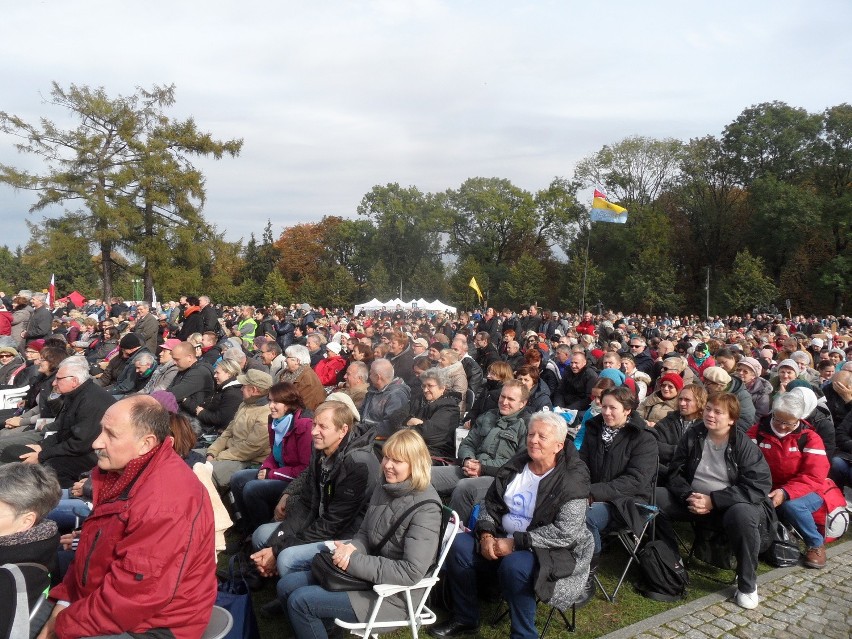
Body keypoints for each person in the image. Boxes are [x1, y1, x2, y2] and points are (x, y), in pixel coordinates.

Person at [40, 395, 217, 638]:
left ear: (146, 443)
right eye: (101, 430)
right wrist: (64, 603)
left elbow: (136, 596)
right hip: (104, 599)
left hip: (154, 624)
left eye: (110, 434)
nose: (96, 443)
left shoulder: (164, 502)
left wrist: (61, 625)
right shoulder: (118, 473)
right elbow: (89, 552)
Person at [433, 412, 594, 639]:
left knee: (516, 564)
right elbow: (490, 503)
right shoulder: (517, 465)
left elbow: (565, 532)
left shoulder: (572, 478)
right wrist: (487, 533)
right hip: (501, 537)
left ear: (559, 444)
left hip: (549, 549)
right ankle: (465, 617)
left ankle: (523, 634)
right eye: (530, 434)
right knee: (458, 545)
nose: (533, 440)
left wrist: (515, 543)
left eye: (542, 436)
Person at [278, 429, 442, 639]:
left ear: (415, 464)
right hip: (368, 576)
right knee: (285, 586)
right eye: (386, 457)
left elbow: (410, 572)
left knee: (301, 602)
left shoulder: (426, 509)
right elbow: (365, 533)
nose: (387, 465)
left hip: (392, 596)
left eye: (397, 461)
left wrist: (352, 562)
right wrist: (351, 549)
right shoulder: (385, 487)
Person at [250, 401, 380, 617]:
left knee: (286, 557)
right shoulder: (322, 449)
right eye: (314, 425)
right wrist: (275, 545)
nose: (314, 432)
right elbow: (307, 503)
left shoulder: (358, 463)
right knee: (261, 534)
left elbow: (334, 525)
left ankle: (302, 602)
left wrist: (277, 550)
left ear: (343, 430)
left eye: (323, 427)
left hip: (349, 537)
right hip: (322, 521)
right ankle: (283, 589)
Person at [655, 392, 772, 610]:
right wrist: (687, 495)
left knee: (744, 515)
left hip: (727, 505)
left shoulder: (743, 445)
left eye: (718, 412)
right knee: (654, 498)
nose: (710, 415)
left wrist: (714, 501)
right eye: (708, 409)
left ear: (731, 419)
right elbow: (675, 473)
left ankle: (747, 583)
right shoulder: (693, 435)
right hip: (692, 498)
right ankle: (669, 559)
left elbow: (758, 485)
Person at [580, 385, 657, 593]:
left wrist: (592, 492)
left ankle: (587, 574)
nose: (606, 412)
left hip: (626, 503)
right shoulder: (594, 428)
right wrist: (578, 487)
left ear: (627, 410)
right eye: (603, 406)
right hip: (592, 494)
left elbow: (635, 481)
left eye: (612, 408)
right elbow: (581, 464)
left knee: (583, 516)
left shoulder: (643, 437)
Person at [747, 391, 831, 569]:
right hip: (766, 487)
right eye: (778, 420)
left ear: (799, 419)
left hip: (808, 490)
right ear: (773, 414)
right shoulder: (756, 432)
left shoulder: (810, 438)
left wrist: (786, 492)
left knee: (792, 505)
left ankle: (815, 543)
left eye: (789, 423)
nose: (783, 427)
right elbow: (746, 463)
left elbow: (814, 475)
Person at [430, 380, 530, 525]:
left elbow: (517, 464)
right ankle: (428, 521)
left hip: (498, 479)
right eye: (502, 396)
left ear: (522, 403)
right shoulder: (488, 416)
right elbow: (468, 443)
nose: (504, 402)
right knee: (424, 474)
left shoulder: (526, 426)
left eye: (511, 399)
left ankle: (452, 534)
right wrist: (468, 460)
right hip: (469, 468)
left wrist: (482, 468)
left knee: (464, 488)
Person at [230, 381, 313, 535]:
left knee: (252, 488)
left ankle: (262, 532)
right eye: (269, 400)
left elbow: (305, 468)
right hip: (278, 471)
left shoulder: (304, 426)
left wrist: (271, 474)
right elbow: (274, 452)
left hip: (295, 481)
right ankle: (247, 527)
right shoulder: (275, 421)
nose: (271, 405)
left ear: (288, 404)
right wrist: (267, 467)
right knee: (238, 478)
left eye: (276, 402)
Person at [204, 369, 273, 490]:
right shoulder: (245, 404)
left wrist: (218, 457)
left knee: (202, 476)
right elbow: (228, 431)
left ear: (254, 390)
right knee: (188, 457)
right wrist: (212, 451)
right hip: (228, 452)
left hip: (247, 460)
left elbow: (250, 449)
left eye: (244, 386)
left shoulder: (266, 413)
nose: (240, 389)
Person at [650, 384, 708, 480]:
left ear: (699, 401)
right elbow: (651, 444)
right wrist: (679, 451)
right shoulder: (670, 420)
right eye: (680, 399)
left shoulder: (705, 427)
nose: (682, 403)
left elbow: (699, 456)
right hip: (662, 472)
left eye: (687, 400)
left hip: (689, 478)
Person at [406, 367, 462, 459]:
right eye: (423, 386)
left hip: (436, 453)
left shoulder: (450, 408)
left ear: (442, 388)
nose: (425, 390)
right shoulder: (420, 400)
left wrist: (410, 424)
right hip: (415, 446)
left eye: (430, 386)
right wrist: (413, 422)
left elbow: (428, 433)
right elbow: (397, 416)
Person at [190, 357, 244, 435]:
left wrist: (202, 413)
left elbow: (222, 419)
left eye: (217, 373)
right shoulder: (223, 388)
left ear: (229, 373)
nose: (214, 376)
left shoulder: (232, 393)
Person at [281, 344, 326, 410]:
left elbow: (302, 405)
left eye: (287, 357)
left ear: (297, 361)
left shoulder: (307, 378)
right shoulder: (286, 373)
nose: (285, 360)